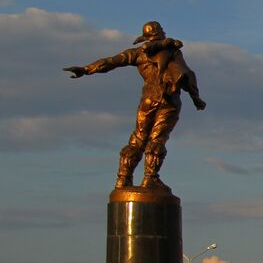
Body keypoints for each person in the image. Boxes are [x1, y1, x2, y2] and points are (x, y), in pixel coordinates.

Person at [64, 21, 207, 189]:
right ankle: (150, 178)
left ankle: (123, 179)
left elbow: (110, 62)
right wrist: (196, 98)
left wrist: (86, 69)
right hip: (168, 100)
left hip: (148, 99)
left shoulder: (139, 53)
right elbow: (187, 74)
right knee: (157, 139)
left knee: (137, 140)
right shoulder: (172, 51)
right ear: (161, 33)